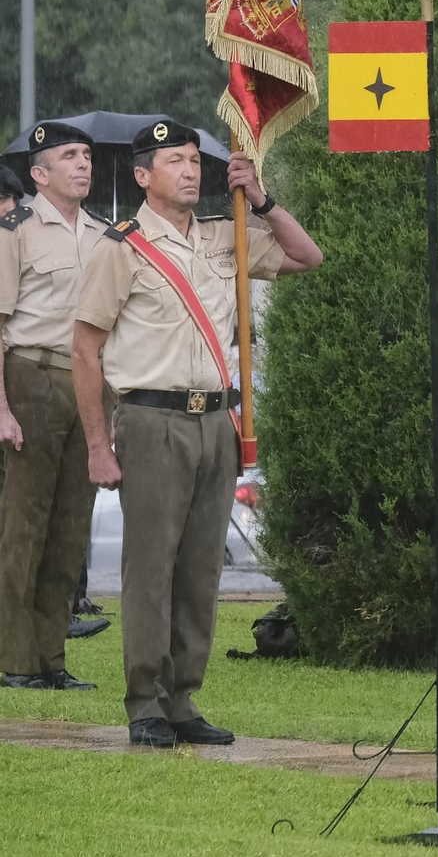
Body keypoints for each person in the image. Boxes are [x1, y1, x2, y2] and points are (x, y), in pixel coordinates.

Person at [71, 118, 322, 748]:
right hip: (152, 420)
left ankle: (182, 698)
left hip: (218, 420)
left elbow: (305, 256)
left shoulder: (226, 233)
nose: (190, 170)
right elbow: (84, 350)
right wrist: (100, 446)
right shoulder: (121, 247)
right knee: (152, 567)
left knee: (201, 568)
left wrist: (260, 199)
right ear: (141, 176)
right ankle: (145, 703)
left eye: (194, 159)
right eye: (174, 160)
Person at [0, 122, 109, 690]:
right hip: (32, 375)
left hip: (86, 384)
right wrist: (2, 407)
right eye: (70, 156)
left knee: (70, 527)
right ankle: (14, 660)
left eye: (87, 155)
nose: (83, 164)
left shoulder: (104, 235)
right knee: (24, 524)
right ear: (40, 174)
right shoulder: (15, 230)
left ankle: (51, 659)